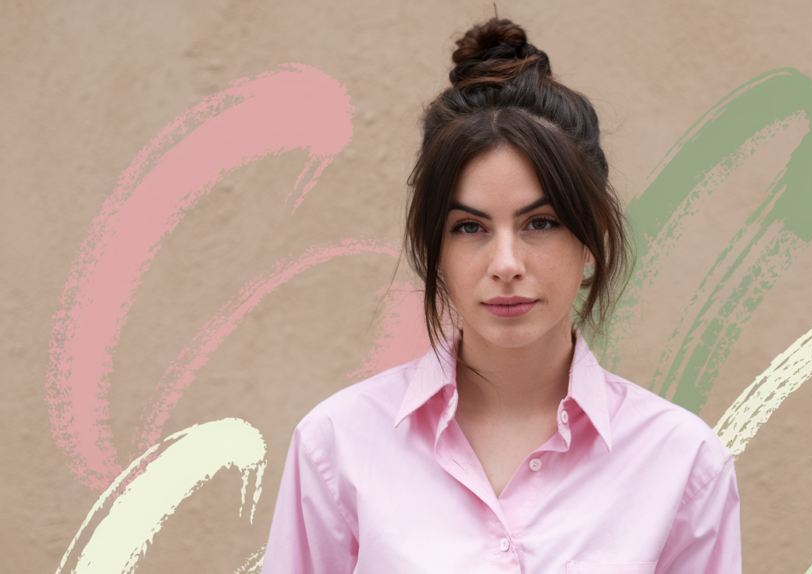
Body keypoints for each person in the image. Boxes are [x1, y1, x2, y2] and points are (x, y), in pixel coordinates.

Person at [262, 17, 741, 574]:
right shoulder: (335, 447)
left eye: (541, 223)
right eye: (470, 227)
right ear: (433, 249)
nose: (506, 265)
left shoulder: (683, 463)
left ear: (593, 239)